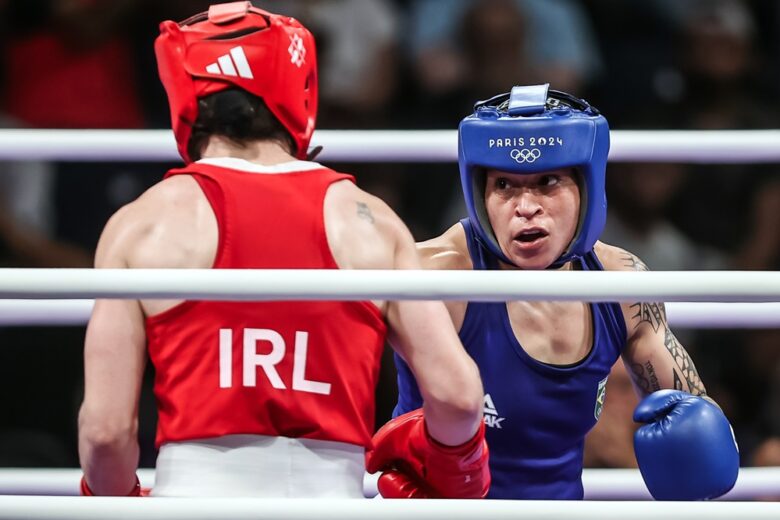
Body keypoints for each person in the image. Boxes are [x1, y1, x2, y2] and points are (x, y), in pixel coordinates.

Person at [77, 1, 488, 498]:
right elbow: (459, 398)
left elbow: (105, 433)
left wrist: (116, 501)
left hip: (192, 500)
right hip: (332, 501)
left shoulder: (143, 223)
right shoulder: (370, 222)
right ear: (299, 87)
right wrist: (454, 472)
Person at [392, 84, 740, 500]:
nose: (525, 206)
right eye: (504, 184)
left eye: (547, 181)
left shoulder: (621, 287)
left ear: (587, 188)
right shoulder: (435, 276)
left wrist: (697, 447)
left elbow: (700, 434)